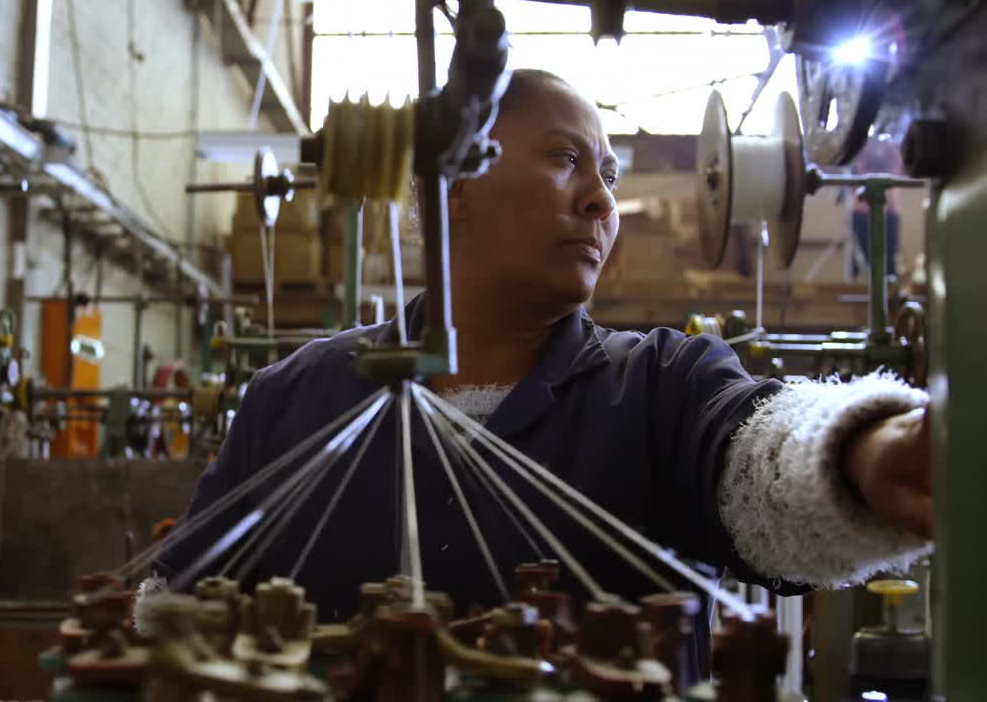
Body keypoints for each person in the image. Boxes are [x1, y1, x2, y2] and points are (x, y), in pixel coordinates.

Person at [145, 69, 932, 672]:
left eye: (609, 177)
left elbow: (755, 443)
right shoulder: (294, 399)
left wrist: (863, 449)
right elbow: (171, 613)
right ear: (453, 184)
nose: (601, 202)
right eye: (565, 160)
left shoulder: (661, 385)